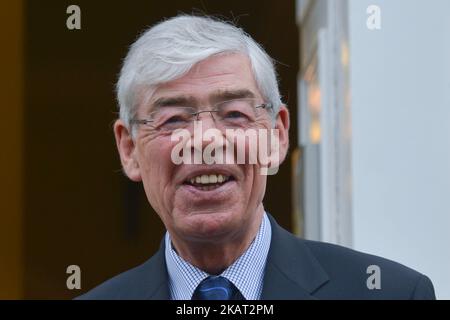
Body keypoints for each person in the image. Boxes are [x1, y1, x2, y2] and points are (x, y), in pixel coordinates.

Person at [78, 15, 435, 300]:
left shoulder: (390, 293)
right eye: (174, 119)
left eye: (234, 113)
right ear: (129, 150)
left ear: (277, 135)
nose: (206, 140)